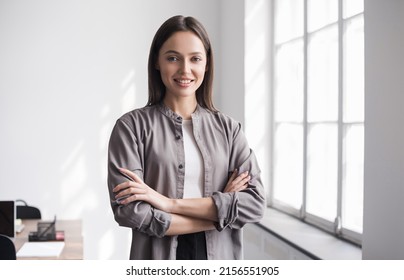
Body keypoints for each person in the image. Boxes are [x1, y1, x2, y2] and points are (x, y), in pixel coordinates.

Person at [107, 15, 265, 260]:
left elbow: (254, 204)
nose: (185, 70)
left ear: (207, 64)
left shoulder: (230, 130)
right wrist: (220, 213)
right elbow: (130, 212)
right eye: (173, 58)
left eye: (195, 59)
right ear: (157, 62)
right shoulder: (131, 128)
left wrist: (165, 203)